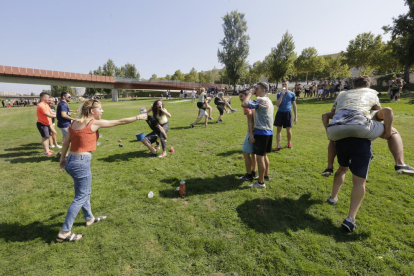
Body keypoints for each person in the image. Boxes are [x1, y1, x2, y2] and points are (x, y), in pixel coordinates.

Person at [57, 99, 147, 242]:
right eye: (100, 109)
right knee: (81, 196)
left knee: (83, 192)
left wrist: (62, 159)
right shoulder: (93, 123)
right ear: (92, 111)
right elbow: (119, 121)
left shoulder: (74, 123)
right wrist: (138, 117)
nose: (102, 111)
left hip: (71, 161)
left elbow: (66, 142)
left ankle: (89, 218)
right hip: (81, 163)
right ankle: (64, 231)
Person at [321, 75, 414, 176]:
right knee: (393, 132)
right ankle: (400, 164)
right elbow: (380, 114)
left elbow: (332, 113)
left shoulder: (342, 94)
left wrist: (328, 132)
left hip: (335, 128)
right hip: (360, 125)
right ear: (368, 85)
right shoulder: (372, 93)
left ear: (353, 85)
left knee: (337, 146)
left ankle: (329, 167)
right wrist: (387, 131)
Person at [241, 82, 274, 188]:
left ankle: (260, 182)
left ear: (263, 90)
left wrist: (250, 93)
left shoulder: (260, 100)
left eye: (257, 88)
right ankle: (265, 176)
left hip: (261, 132)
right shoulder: (268, 100)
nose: (255, 90)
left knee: (260, 158)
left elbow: (244, 104)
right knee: (263, 156)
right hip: (269, 132)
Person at [238, 90, 257, 181]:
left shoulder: (247, 106)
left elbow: (250, 120)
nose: (240, 99)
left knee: (246, 153)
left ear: (246, 96)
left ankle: (249, 175)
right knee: (254, 153)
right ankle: (254, 171)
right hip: (258, 130)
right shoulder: (253, 102)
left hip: (252, 131)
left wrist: (250, 133)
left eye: (241, 96)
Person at [274, 79, 297, 151]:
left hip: (288, 113)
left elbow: (294, 105)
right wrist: (281, 95)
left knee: (288, 130)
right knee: (278, 130)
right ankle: (278, 145)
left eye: (285, 84)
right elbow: (277, 105)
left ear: (288, 85)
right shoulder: (279, 94)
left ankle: (289, 143)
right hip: (280, 113)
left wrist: (296, 117)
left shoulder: (292, 94)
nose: (284, 86)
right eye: (283, 84)